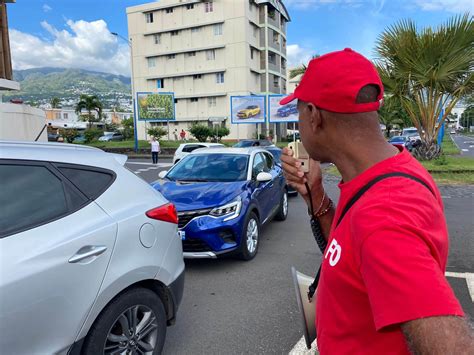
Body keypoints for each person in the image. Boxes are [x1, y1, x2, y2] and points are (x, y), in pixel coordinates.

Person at [280, 48, 473, 354]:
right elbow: (351, 253)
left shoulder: (384, 212)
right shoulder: (380, 175)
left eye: (299, 113)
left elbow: (451, 346)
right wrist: (315, 193)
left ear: (314, 116)